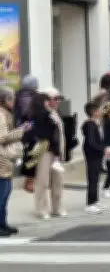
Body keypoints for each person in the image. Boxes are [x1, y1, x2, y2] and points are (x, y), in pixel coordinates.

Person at [30, 88, 68, 219]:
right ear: (47, 100)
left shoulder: (57, 113)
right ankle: (41, 209)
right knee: (43, 180)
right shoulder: (41, 114)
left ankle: (57, 207)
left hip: (57, 151)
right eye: (55, 98)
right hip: (45, 150)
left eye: (59, 98)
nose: (58, 101)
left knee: (58, 180)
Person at [0, 86, 32, 235]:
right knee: (2, 193)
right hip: (2, 158)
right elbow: (2, 137)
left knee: (5, 194)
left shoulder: (5, 113)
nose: (14, 101)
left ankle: (3, 224)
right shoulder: (1, 114)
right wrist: (21, 131)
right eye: (12, 99)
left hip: (5, 158)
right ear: (5, 100)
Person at [82, 98, 108, 214]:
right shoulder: (90, 125)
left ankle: (95, 200)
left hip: (97, 154)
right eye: (98, 110)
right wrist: (102, 149)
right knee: (92, 178)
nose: (100, 112)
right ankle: (90, 203)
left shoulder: (95, 124)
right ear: (94, 112)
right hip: (92, 154)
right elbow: (92, 142)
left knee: (96, 178)